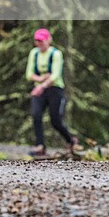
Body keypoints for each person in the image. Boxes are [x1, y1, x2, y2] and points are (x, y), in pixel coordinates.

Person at [26, 28, 80, 157]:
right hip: (39, 89)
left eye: (41, 41)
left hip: (55, 90)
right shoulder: (34, 53)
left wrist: (42, 85)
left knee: (55, 120)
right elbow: (29, 74)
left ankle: (71, 140)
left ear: (48, 40)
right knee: (36, 114)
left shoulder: (56, 54)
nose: (39, 44)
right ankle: (40, 145)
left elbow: (55, 75)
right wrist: (41, 79)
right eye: (37, 41)